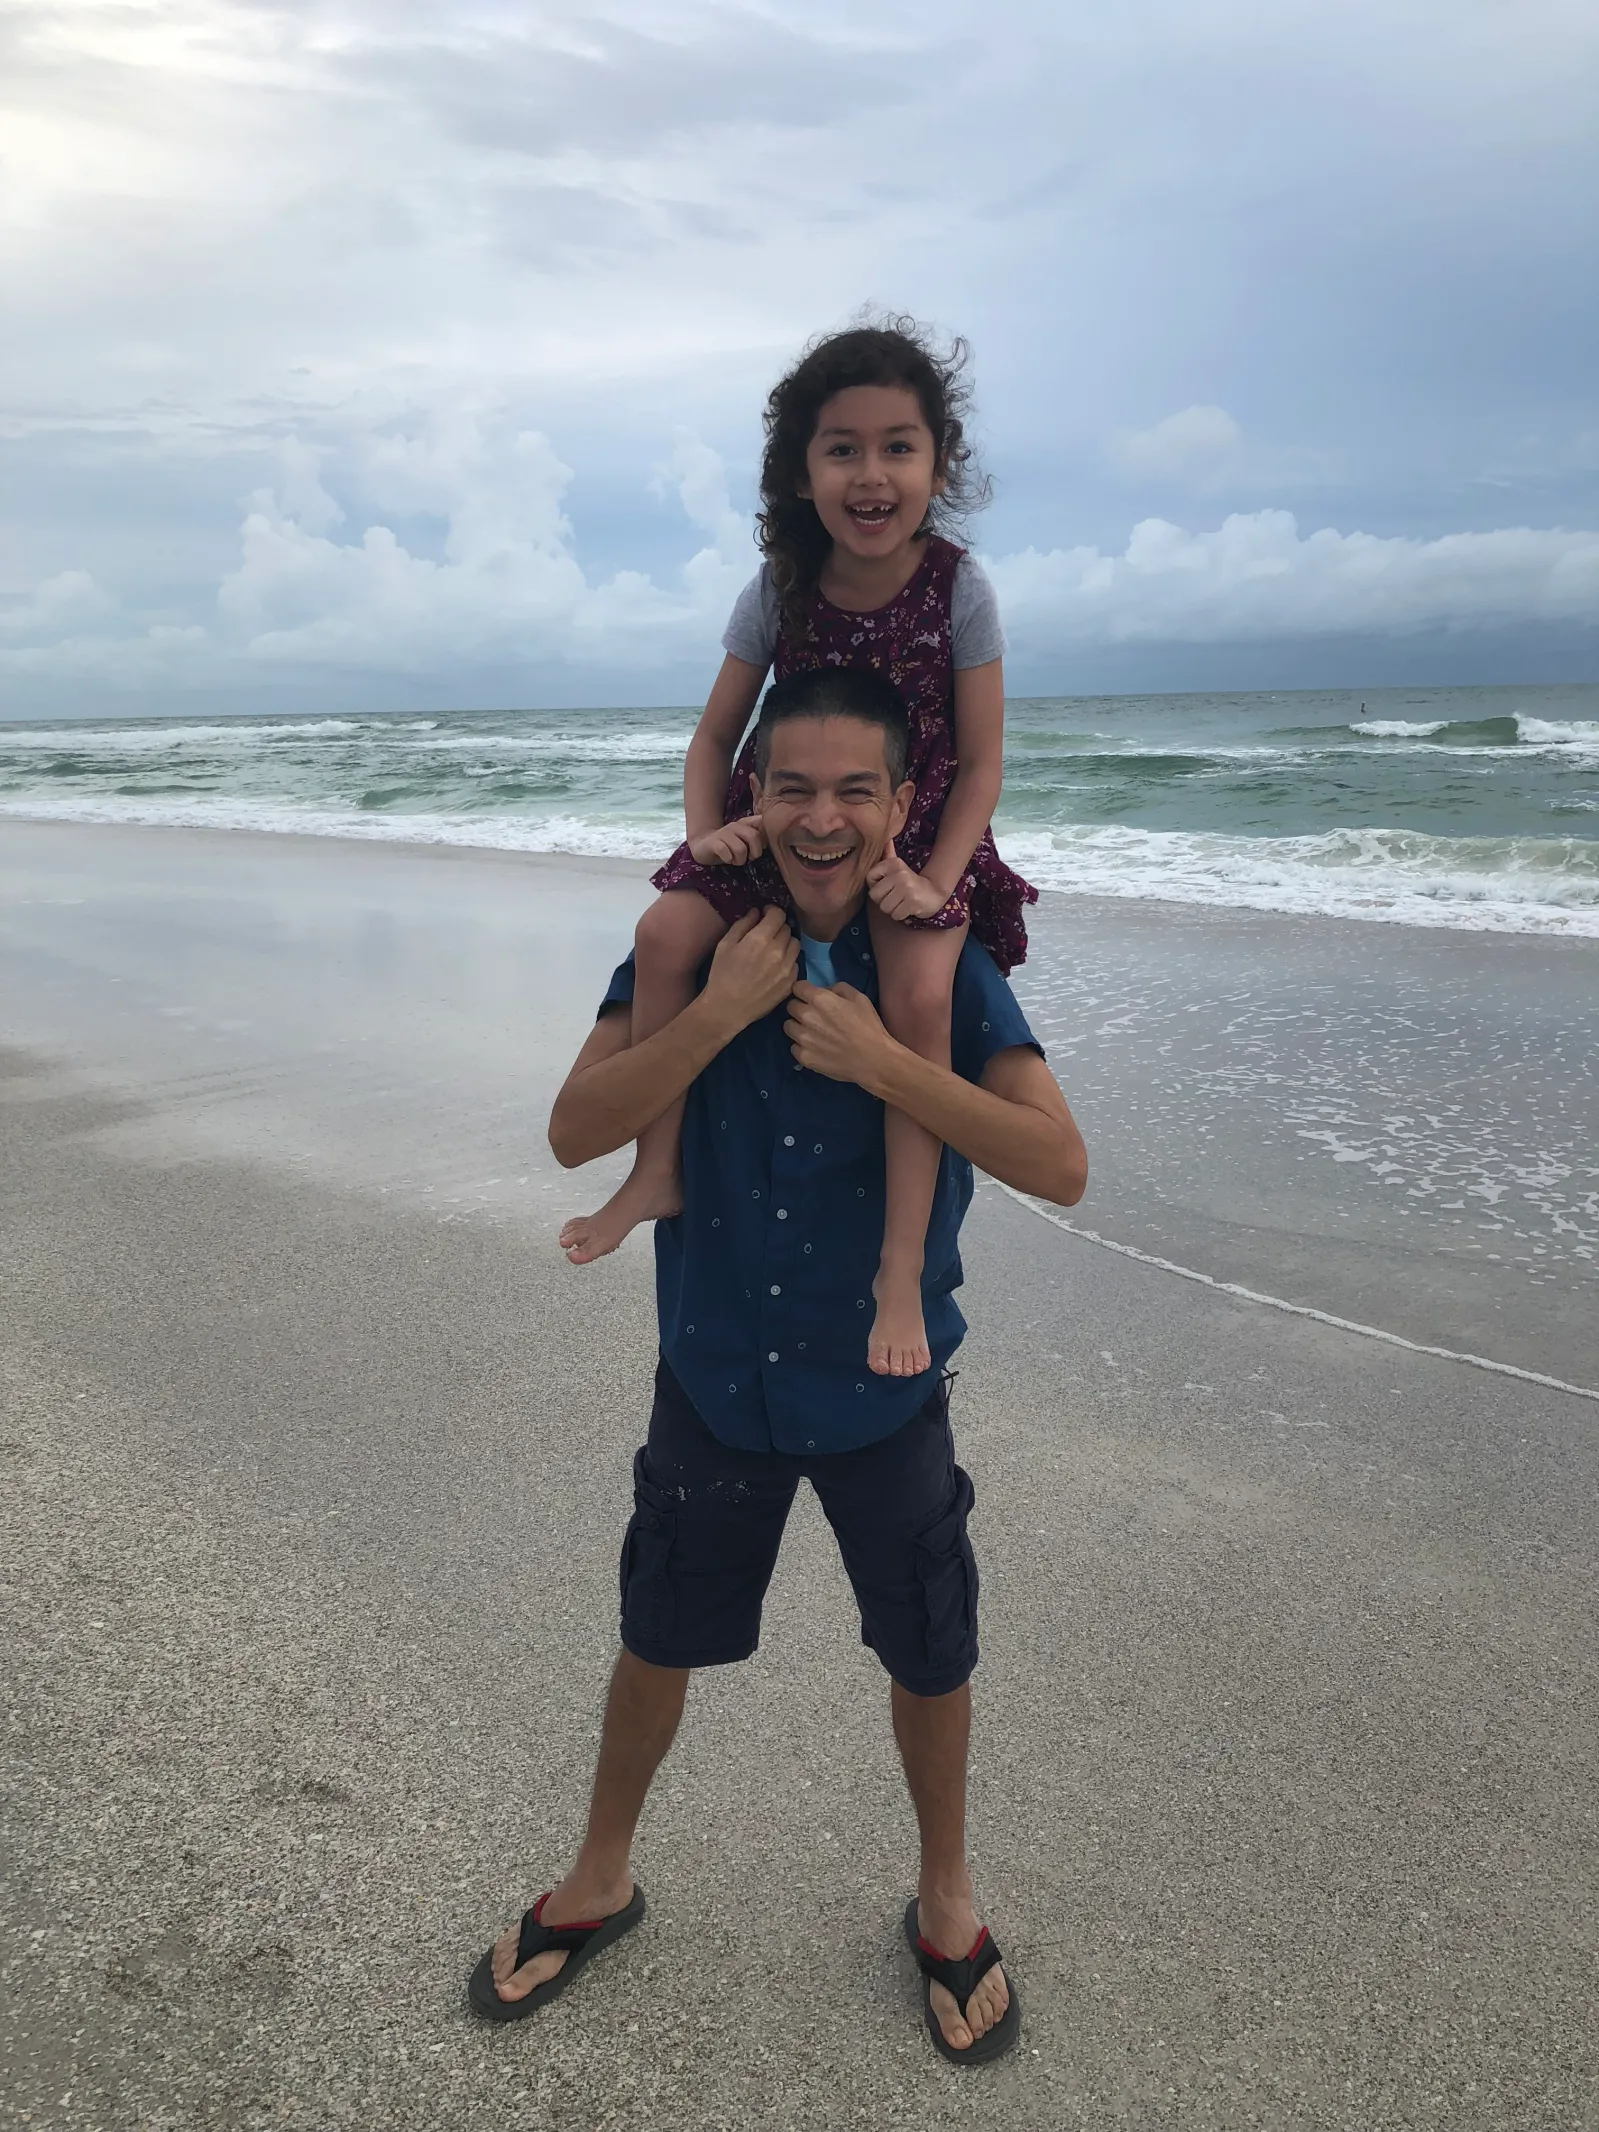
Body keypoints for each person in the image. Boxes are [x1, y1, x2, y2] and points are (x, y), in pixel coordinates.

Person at [471, 668, 1086, 2064]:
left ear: (896, 806)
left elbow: (1058, 1165)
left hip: (886, 1387)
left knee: (929, 1650)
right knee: (657, 1637)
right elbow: (576, 1131)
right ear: (749, 799)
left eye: (852, 790)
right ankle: (599, 1875)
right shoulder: (699, 948)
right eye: (790, 786)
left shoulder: (939, 966)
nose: (820, 816)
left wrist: (880, 1061)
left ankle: (943, 1896)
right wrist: (709, 1020)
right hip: (712, 1377)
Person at [559, 318, 1038, 1390]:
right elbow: (711, 738)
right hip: (779, 824)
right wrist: (704, 837)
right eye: (842, 448)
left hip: (912, 834)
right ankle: (657, 1169)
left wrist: (935, 880)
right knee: (662, 930)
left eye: (898, 446)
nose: (872, 475)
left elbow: (981, 765)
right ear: (803, 470)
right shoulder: (778, 586)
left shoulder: (962, 588)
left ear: (938, 463)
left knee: (918, 1001)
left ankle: (902, 1266)